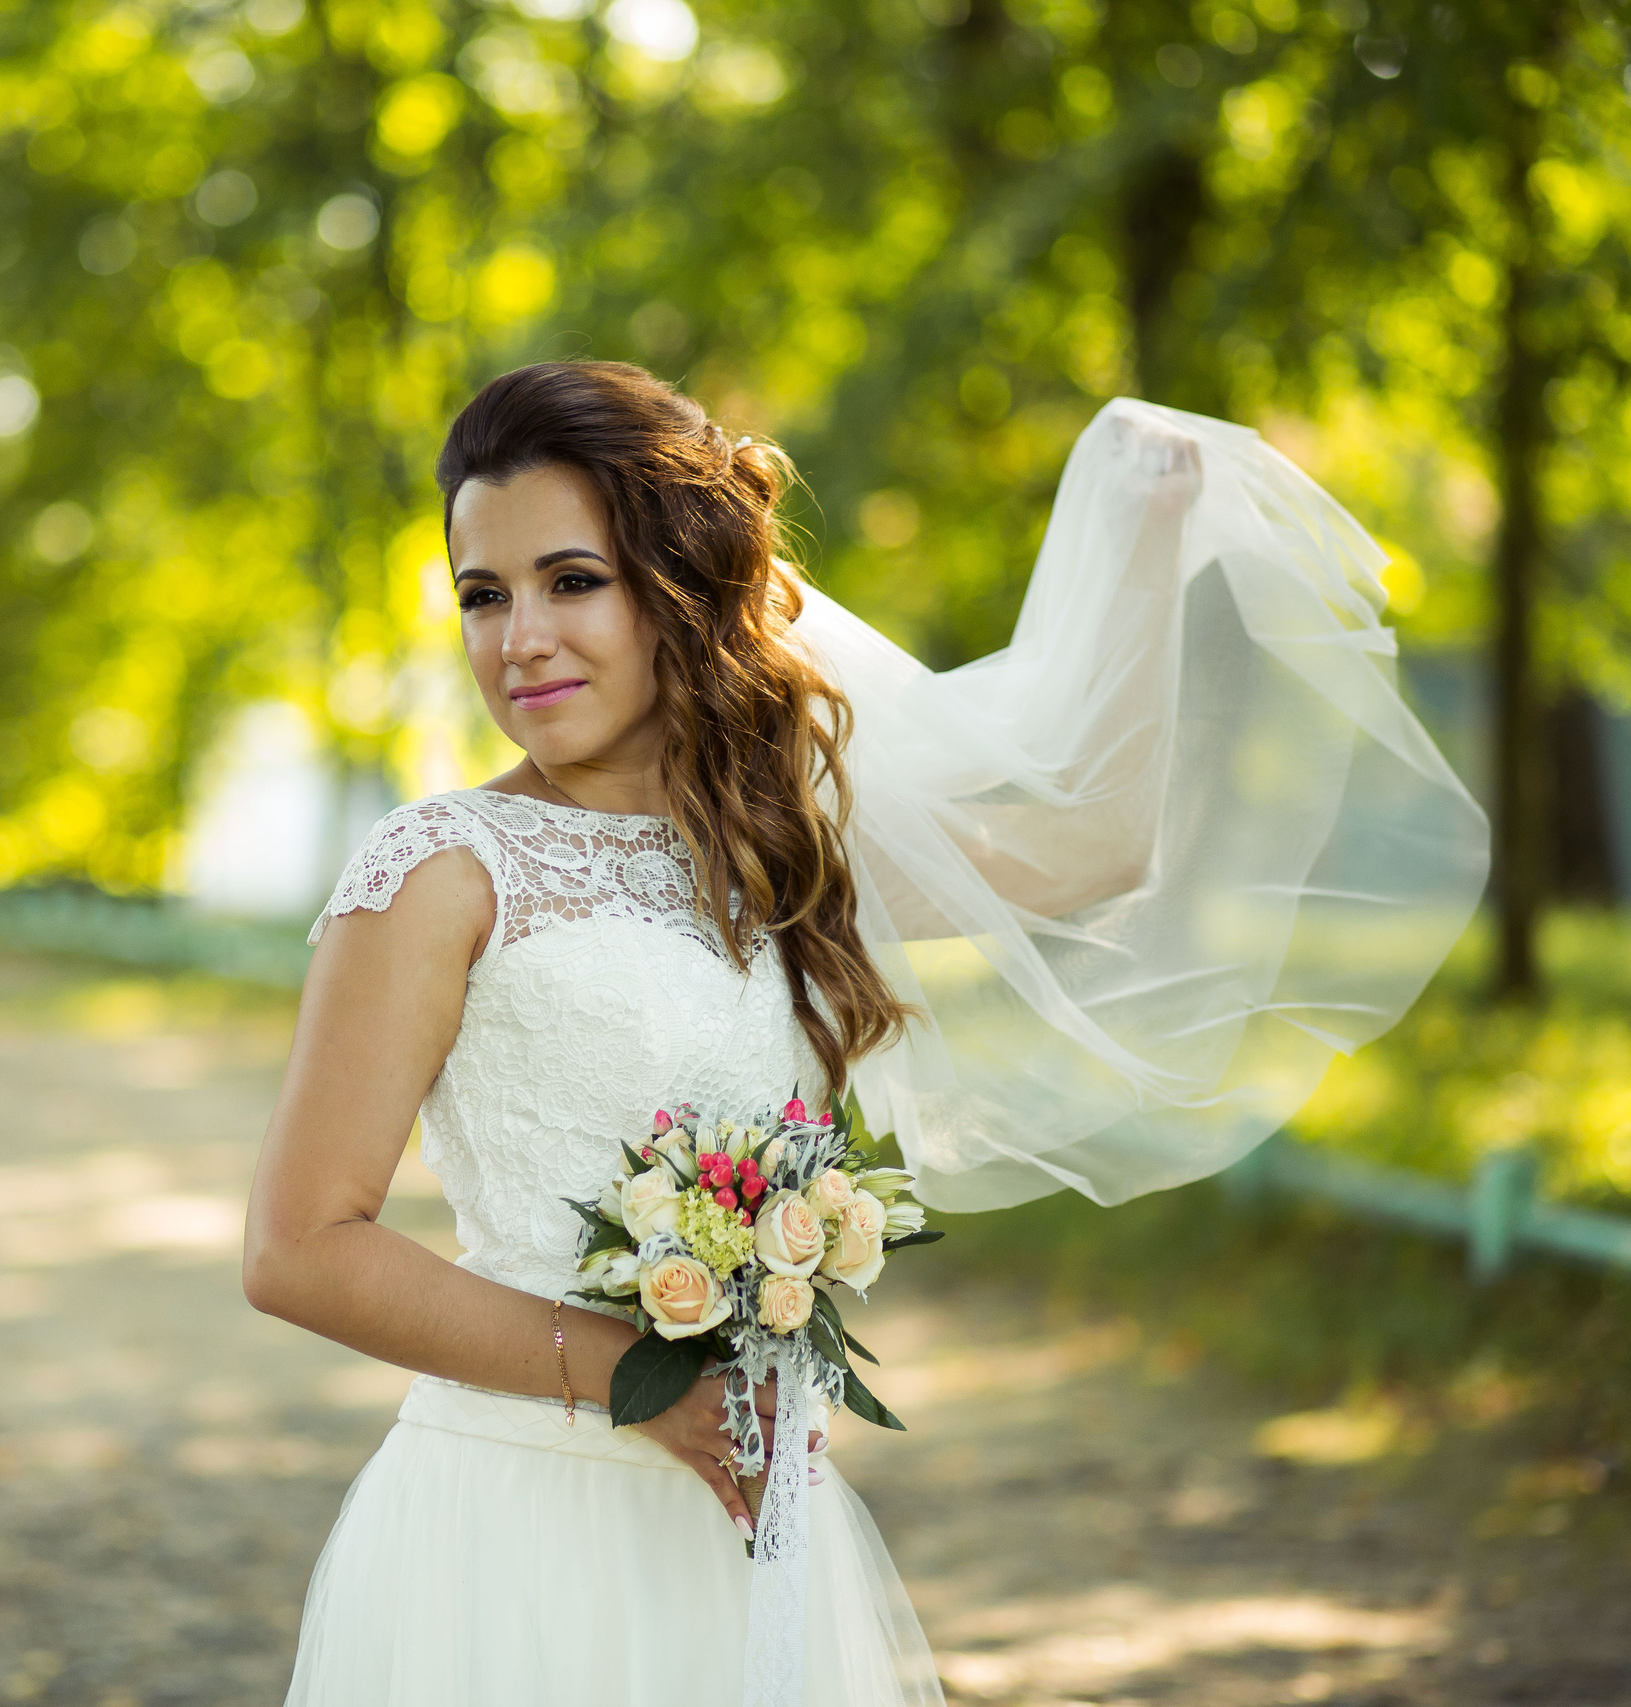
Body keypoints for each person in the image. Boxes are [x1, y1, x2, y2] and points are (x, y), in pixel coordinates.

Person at [241, 361, 1487, 1706]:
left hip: (751, 1519)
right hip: (518, 1524)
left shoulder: (772, 848)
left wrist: (1140, 534)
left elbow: (1099, 842)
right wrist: (632, 1379)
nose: (520, 640)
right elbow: (300, 1247)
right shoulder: (443, 868)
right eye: (482, 596)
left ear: (678, 585)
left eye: (571, 580)